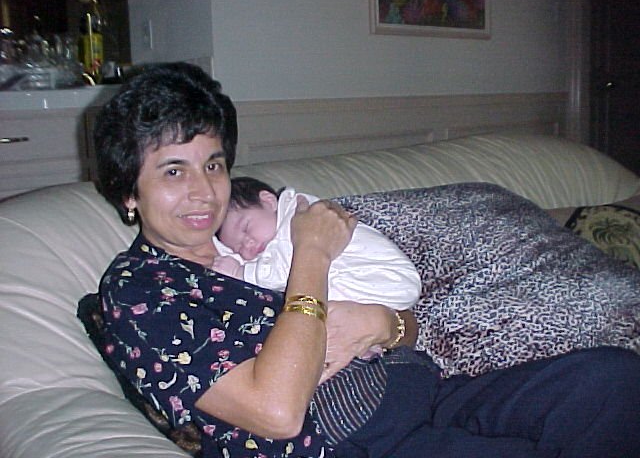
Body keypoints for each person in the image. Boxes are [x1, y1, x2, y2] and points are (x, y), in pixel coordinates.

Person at [93, 61, 640, 458]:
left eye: (213, 165)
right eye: (173, 171)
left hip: (423, 389)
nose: (203, 191)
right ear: (127, 192)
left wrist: (383, 322)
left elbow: (407, 327)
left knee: (612, 382)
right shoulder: (140, 289)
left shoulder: (247, 236)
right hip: (352, 439)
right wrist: (312, 252)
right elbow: (277, 413)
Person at [212, 177, 422, 356]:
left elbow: (283, 272)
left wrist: (241, 272)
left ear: (268, 201)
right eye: (238, 247)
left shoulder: (296, 219)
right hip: (381, 295)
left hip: (386, 277)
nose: (248, 244)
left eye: (246, 228)